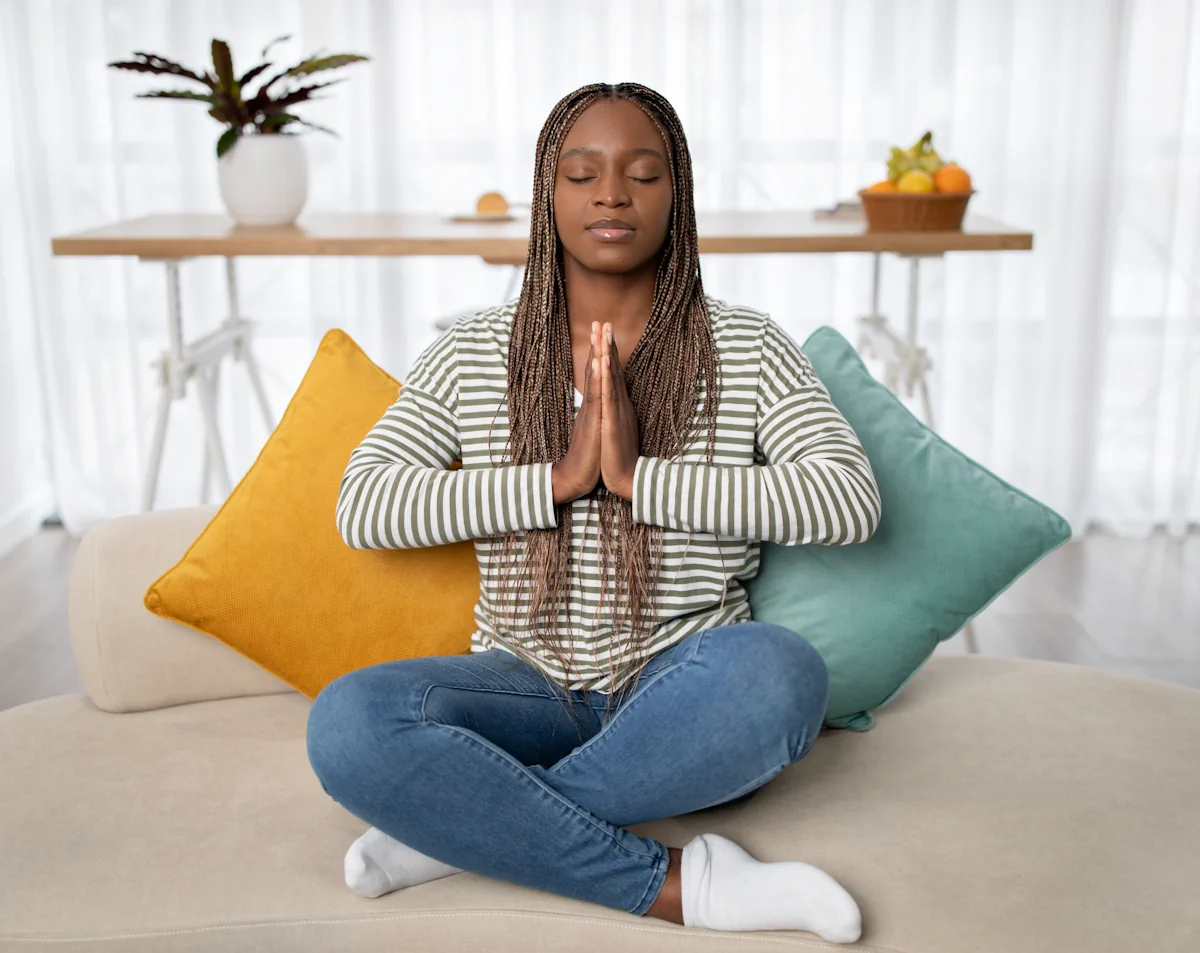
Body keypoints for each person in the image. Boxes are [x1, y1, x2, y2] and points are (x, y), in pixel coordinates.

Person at [306, 81, 880, 943]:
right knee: (348, 725)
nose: (612, 193)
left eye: (642, 173)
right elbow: (366, 502)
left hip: (680, 682)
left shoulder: (748, 345)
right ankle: (688, 886)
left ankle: (465, 832)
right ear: (549, 193)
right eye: (583, 173)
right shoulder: (470, 350)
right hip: (522, 683)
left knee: (781, 673)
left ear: (676, 195)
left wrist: (641, 478)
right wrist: (558, 480)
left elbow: (847, 496)